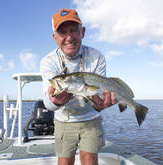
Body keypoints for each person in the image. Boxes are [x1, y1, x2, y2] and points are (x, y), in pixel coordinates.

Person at [40, 8, 117, 165]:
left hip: (91, 119)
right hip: (63, 121)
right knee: (64, 161)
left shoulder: (97, 57)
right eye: (62, 32)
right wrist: (55, 101)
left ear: (82, 32)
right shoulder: (48, 62)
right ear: (55, 37)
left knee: (89, 160)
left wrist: (101, 104)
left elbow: (99, 100)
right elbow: (48, 103)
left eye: (74, 30)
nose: (69, 37)